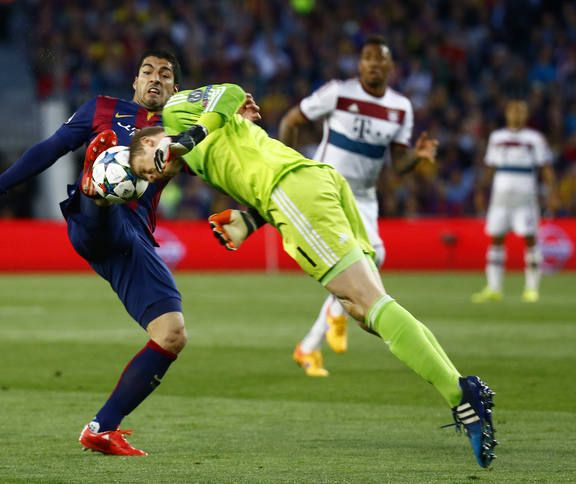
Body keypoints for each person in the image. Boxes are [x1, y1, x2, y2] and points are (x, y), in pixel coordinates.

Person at [128, 82, 497, 468]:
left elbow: (231, 92)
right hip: (309, 185)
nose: (152, 177)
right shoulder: (200, 159)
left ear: (153, 140)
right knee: (365, 311)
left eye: (145, 167)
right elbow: (253, 161)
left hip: (295, 192)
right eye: (145, 179)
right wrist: (251, 220)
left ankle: (461, 397)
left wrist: (189, 136)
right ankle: (460, 386)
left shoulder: (174, 114)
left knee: (368, 304)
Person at [0, 50, 186, 456]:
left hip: (132, 240)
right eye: (147, 71)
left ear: (175, 90)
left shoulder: (181, 129)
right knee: (104, 189)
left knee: (172, 334)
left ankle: (101, 428)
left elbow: (225, 167)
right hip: (92, 220)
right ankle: (99, 181)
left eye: (164, 75)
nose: (155, 78)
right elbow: (49, 149)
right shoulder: (102, 109)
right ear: (134, 81)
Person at [277, 35, 437, 377]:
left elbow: (397, 162)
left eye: (381, 59)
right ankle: (326, 324)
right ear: (360, 64)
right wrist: (289, 166)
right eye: (368, 58)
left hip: (363, 196)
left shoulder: (401, 108)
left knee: (373, 257)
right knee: (356, 262)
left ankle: (310, 344)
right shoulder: (338, 92)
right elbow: (291, 121)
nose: (374, 64)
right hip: (326, 187)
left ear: (391, 67)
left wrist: (417, 158)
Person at [471, 98, 555, 303]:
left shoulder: (534, 138)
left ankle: (532, 288)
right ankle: (493, 288)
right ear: (507, 114)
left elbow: (545, 167)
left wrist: (552, 192)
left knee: (530, 239)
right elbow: (490, 166)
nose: (516, 114)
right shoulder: (497, 137)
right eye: (513, 111)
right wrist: (481, 191)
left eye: (520, 111)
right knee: (496, 238)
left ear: (526, 115)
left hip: (525, 197)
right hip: (500, 198)